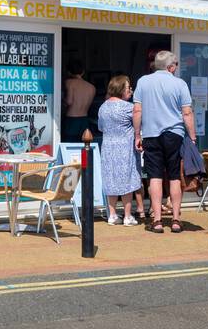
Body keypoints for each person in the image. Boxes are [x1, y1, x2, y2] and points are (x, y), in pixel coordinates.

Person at [132, 51, 196, 234]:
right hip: (174, 135)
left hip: (151, 134)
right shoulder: (180, 84)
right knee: (175, 176)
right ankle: (176, 219)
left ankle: (158, 220)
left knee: (155, 177)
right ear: (171, 67)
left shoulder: (143, 81)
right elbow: (187, 113)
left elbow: (137, 111)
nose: (176, 66)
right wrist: (192, 137)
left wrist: (138, 134)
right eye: (175, 63)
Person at [98, 75, 143, 225]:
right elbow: (140, 123)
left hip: (108, 147)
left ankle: (112, 215)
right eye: (128, 87)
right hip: (125, 147)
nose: (130, 90)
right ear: (120, 89)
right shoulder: (128, 107)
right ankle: (128, 215)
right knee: (127, 180)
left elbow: (100, 127)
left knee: (110, 178)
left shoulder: (103, 107)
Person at [63, 59, 95, 144]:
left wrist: (62, 101)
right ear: (83, 72)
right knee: (84, 146)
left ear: (69, 72)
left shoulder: (69, 83)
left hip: (71, 120)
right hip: (84, 120)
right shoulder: (91, 87)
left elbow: (69, 101)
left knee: (68, 147)